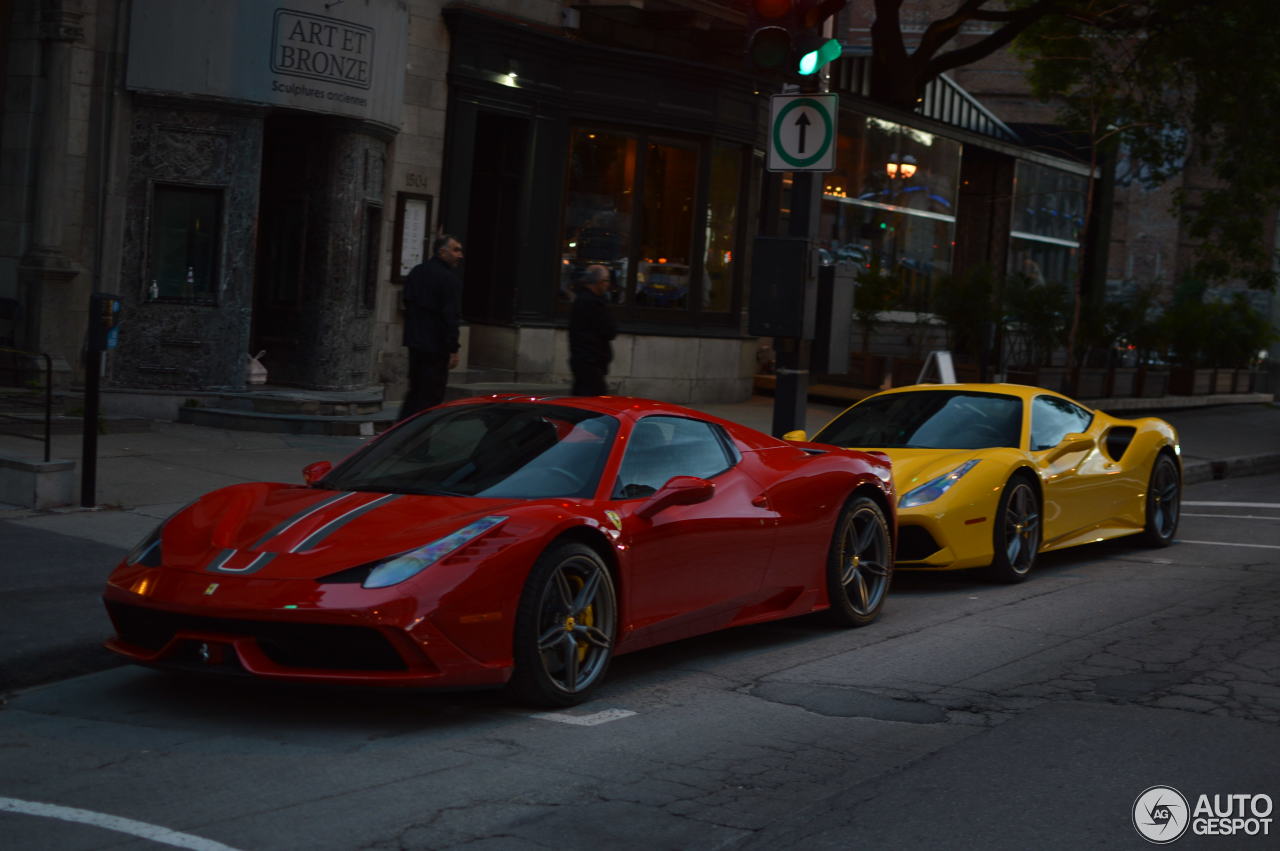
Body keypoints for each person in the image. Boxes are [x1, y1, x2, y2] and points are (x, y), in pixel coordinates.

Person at [399, 234, 463, 420]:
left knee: (415, 391)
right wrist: (453, 348)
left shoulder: (417, 272)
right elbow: (450, 316)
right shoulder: (449, 280)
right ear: (442, 252)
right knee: (431, 396)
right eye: (456, 250)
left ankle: (401, 432)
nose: (460, 255)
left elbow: (408, 303)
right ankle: (420, 440)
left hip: (416, 342)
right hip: (436, 346)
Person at [568, 264, 617, 396]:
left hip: (587, 360)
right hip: (590, 361)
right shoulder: (592, 302)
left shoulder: (585, 300)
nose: (607, 285)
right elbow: (608, 330)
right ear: (598, 282)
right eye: (606, 281)